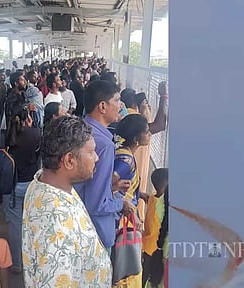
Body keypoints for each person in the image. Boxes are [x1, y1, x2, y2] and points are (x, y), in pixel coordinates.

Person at [22, 116, 112, 287]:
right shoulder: (57, 229)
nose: (97, 158)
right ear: (69, 160)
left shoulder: (45, 180)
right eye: (91, 152)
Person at [74, 80, 134, 254]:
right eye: (116, 100)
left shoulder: (82, 129)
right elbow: (97, 204)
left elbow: (86, 185)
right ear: (102, 106)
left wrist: (109, 187)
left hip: (81, 226)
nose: (120, 105)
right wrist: (121, 203)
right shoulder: (104, 145)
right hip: (97, 232)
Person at [3, 102, 41, 273]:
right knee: (32, 224)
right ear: (28, 118)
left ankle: (17, 263)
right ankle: (33, 261)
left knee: (15, 226)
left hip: (11, 186)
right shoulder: (35, 133)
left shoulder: (6, 134)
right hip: (30, 186)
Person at [142, 169, 169, 288]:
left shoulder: (153, 197)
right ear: (164, 184)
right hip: (156, 249)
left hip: (147, 246)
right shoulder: (163, 205)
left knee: (147, 278)